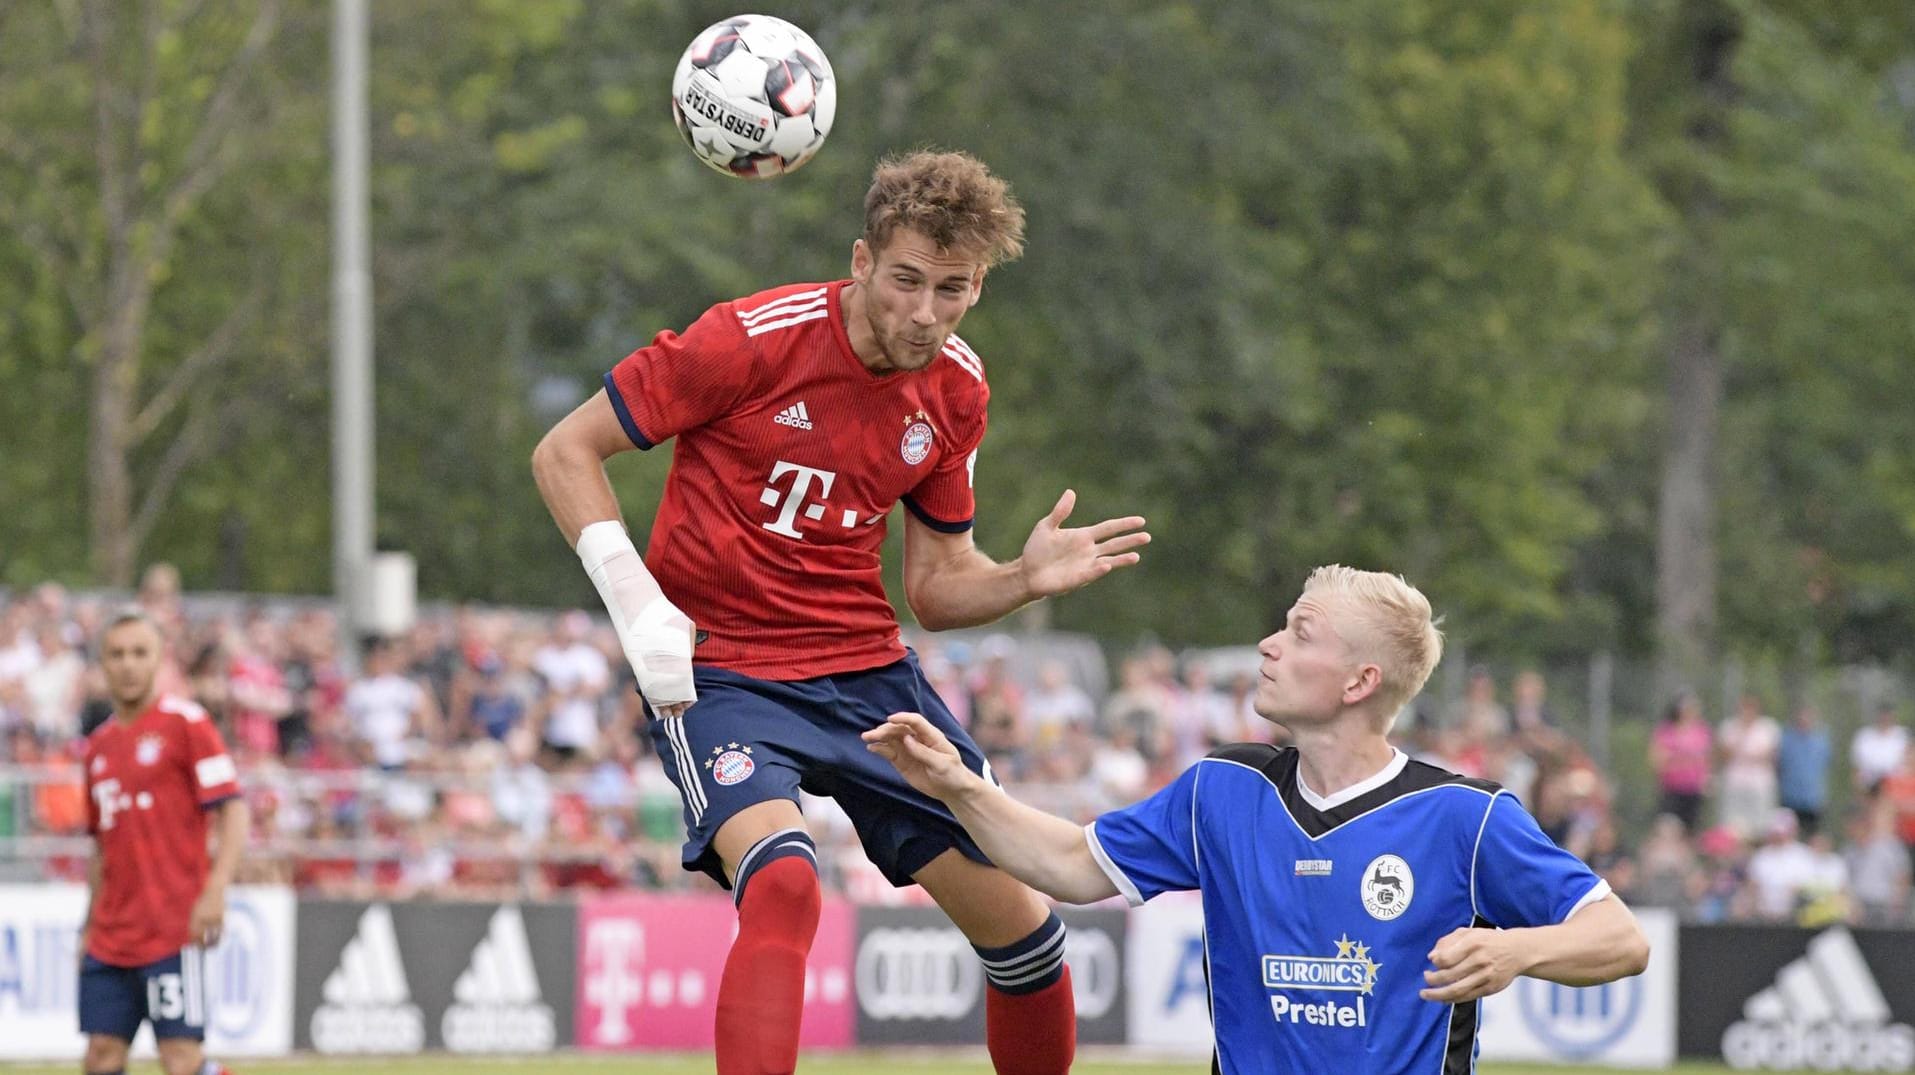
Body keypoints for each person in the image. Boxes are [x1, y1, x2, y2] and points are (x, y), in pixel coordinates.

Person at [530, 149, 1148, 1075]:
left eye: (952, 289)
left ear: (978, 287)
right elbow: (562, 451)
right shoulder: (747, 339)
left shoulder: (958, 390)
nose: (924, 312)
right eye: (905, 280)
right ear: (861, 262)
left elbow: (936, 587)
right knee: (783, 884)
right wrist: (637, 604)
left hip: (868, 677)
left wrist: (1020, 577)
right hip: (724, 671)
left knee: (1025, 934)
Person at [864, 565, 1648, 1074]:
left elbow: (1620, 938)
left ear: (1358, 681)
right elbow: (1070, 863)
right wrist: (958, 786)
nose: (1268, 645)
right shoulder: (1221, 789)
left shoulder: (1461, 817)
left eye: (1300, 632)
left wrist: (1518, 948)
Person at [79, 608, 249, 1075]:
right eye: (117, 654)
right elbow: (101, 848)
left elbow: (233, 809)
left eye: (139, 652)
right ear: (103, 664)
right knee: (100, 1057)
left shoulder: (186, 724)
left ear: (159, 660)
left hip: (173, 928)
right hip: (112, 935)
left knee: (180, 1058)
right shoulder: (96, 748)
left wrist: (216, 890)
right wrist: (87, 926)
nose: (128, 664)